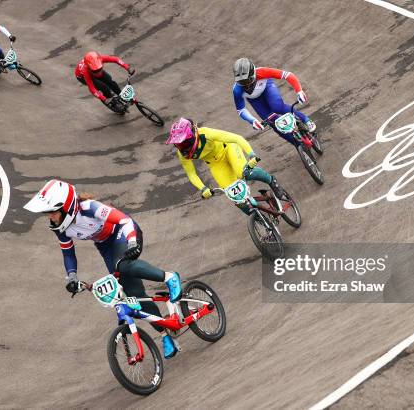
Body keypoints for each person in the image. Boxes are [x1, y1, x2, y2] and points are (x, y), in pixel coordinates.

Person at [24, 179, 182, 359]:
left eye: (51, 212)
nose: (50, 217)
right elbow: (68, 254)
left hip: (124, 232)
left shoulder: (89, 208)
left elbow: (123, 220)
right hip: (106, 248)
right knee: (133, 296)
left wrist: (132, 243)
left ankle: (169, 278)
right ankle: (165, 334)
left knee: (124, 265)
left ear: (66, 207)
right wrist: (72, 277)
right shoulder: (60, 228)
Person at [165, 117, 285, 206]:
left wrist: (251, 154)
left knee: (244, 173)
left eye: (185, 143)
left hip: (228, 149)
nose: (183, 147)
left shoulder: (206, 133)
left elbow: (237, 138)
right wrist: (203, 189)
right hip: (216, 164)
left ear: (194, 134)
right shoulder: (182, 154)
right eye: (179, 145)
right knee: (235, 197)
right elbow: (191, 174)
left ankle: (271, 180)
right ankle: (261, 220)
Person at [232, 57, 317, 147]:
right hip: (255, 100)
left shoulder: (261, 72)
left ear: (253, 74)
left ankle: (306, 120)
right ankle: (297, 144)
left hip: (267, 88)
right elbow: (240, 110)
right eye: (241, 82)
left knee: (277, 107)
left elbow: (287, 75)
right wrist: (252, 121)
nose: (246, 84)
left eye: (247, 80)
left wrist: (299, 91)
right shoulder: (237, 90)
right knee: (273, 122)